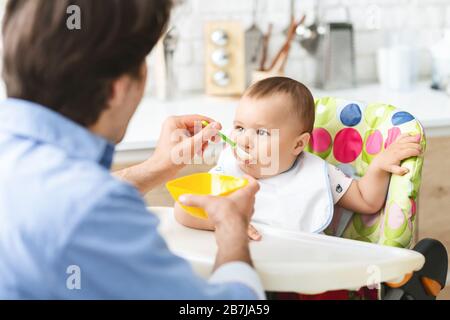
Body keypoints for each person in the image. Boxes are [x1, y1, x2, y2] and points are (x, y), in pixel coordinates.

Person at [0, 0, 264, 299]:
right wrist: (232, 231)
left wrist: (157, 167)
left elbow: (55, 200)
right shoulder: (91, 210)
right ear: (118, 89)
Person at [175, 77, 422, 238]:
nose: (243, 141)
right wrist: (223, 222)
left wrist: (378, 166)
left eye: (261, 132)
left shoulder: (317, 174)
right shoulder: (229, 168)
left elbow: (366, 201)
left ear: (299, 144)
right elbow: (183, 210)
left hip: (305, 281)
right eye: (239, 128)